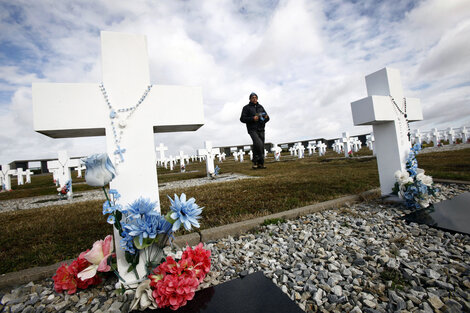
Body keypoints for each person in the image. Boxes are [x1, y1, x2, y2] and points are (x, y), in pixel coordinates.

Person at [240, 92, 270, 169]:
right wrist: (252, 118)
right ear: (250, 99)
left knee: (260, 145)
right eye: (253, 98)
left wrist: (266, 118)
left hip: (261, 129)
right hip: (252, 129)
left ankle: (260, 163)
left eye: (256, 97)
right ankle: (255, 161)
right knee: (258, 143)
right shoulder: (246, 108)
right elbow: (242, 119)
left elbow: (267, 118)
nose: (254, 99)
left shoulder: (261, 107)